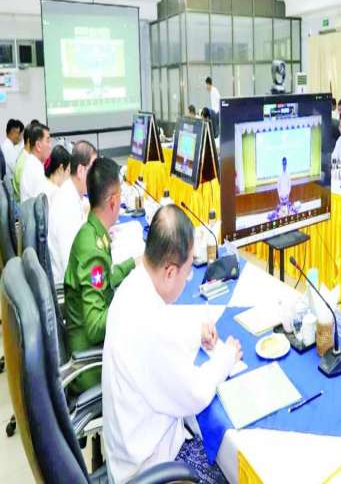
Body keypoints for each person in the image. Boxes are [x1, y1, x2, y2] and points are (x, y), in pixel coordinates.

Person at [102, 205, 242, 483]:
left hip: (132, 451)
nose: (187, 280)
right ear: (169, 272)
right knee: (231, 470)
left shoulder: (133, 286)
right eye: (187, 272)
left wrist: (195, 331)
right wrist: (225, 359)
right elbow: (195, 394)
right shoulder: (150, 324)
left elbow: (161, 334)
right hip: (155, 468)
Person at [64, 157, 136, 394]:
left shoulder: (91, 232)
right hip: (91, 364)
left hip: (87, 344)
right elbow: (96, 327)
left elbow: (103, 280)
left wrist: (133, 264)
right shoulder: (93, 249)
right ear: (113, 201)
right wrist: (129, 306)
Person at [48, 140, 98, 287]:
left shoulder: (71, 192)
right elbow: (75, 269)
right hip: (71, 288)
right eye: (93, 170)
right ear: (81, 171)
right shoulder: (66, 206)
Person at [19, 120, 53, 202]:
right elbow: (44, 204)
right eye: (48, 141)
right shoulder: (34, 168)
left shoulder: (33, 163)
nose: (50, 146)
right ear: (38, 146)